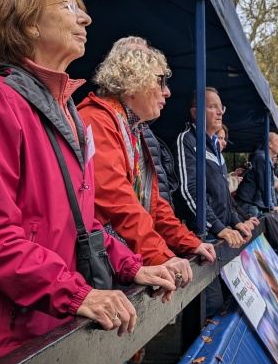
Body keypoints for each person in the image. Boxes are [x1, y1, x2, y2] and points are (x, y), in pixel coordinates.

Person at [0, 0, 176, 364]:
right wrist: (76, 293)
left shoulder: (65, 109)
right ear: (28, 23)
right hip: (7, 340)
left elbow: (81, 222)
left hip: (52, 323)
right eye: (68, 7)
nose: (85, 18)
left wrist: (132, 266)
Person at [77, 38, 215, 289]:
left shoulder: (130, 129)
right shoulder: (97, 120)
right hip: (100, 266)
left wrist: (189, 242)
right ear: (133, 82)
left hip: (116, 259)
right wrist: (162, 256)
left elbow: (151, 204)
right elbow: (119, 201)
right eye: (160, 81)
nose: (167, 92)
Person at [176, 88, 260, 316]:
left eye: (220, 107)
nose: (220, 112)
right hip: (202, 240)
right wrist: (220, 227)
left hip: (221, 240)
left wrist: (236, 221)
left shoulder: (215, 146)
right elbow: (189, 192)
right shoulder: (187, 140)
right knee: (208, 307)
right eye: (212, 106)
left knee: (222, 302)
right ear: (195, 112)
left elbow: (224, 195)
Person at [236, 132, 278, 217]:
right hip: (249, 203)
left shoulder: (266, 159)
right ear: (270, 144)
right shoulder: (262, 158)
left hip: (252, 203)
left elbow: (270, 185)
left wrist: (273, 205)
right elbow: (265, 186)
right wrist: (271, 206)